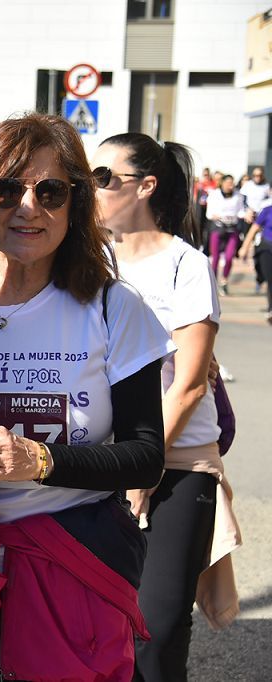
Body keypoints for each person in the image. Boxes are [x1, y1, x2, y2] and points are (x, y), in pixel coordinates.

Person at [0, 113, 172, 681]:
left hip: (70, 565)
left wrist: (38, 460)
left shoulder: (113, 308)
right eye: (7, 189)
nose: (28, 207)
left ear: (76, 204)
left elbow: (146, 454)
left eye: (51, 190)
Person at [93, 132, 242, 681]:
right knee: (97, 623)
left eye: (106, 178)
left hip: (176, 462)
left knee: (154, 630)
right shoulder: (89, 259)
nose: (94, 188)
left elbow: (190, 384)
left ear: (146, 186)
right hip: (100, 461)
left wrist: (144, 463)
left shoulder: (186, 265)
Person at [205, 174, 246, 294]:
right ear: (222, 183)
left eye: (232, 183)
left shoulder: (238, 195)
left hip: (232, 229)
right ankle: (213, 283)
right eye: (228, 183)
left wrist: (246, 215)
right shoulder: (214, 194)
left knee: (229, 257)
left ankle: (224, 281)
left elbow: (240, 211)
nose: (230, 185)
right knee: (215, 257)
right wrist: (216, 216)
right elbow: (209, 213)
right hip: (218, 228)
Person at [242, 205, 272, 322]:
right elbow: (254, 228)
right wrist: (244, 247)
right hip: (267, 248)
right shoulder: (267, 210)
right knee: (270, 279)